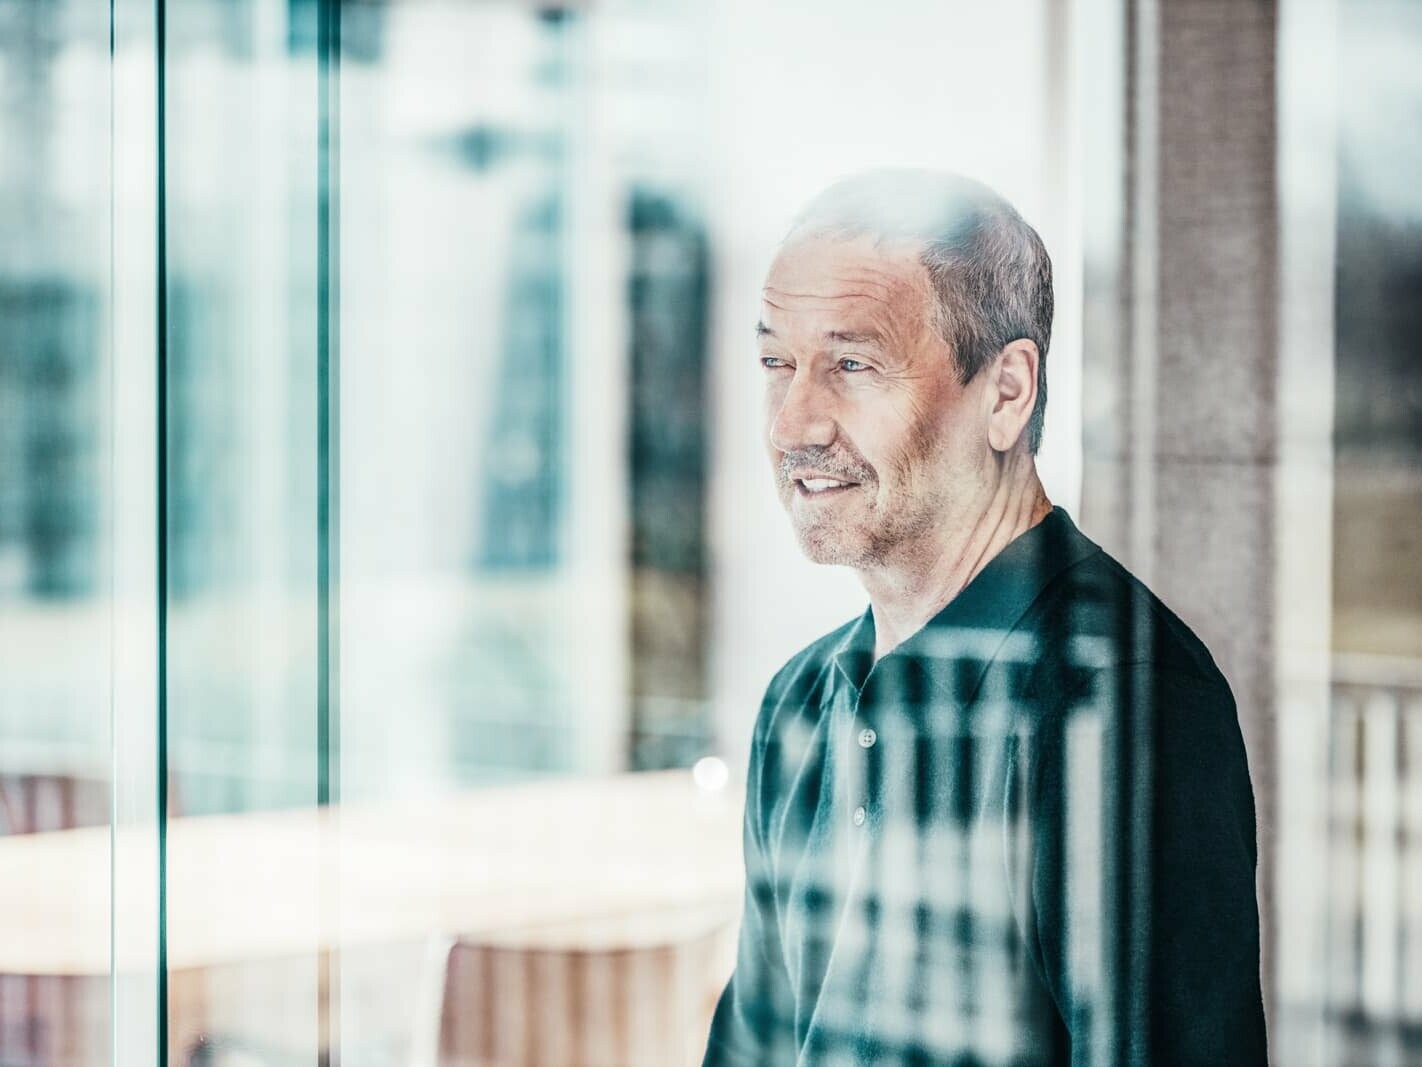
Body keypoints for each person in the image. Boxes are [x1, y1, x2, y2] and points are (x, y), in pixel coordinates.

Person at [702, 170, 1267, 1066]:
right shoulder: (800, 707)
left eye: (852, 363)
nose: (793, 421)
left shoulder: (1124, 709)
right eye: (778, 362)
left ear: (1006, 391)